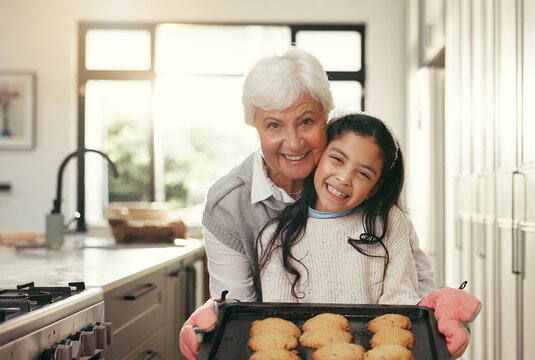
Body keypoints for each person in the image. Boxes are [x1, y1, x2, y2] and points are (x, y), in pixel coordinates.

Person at [179, 47, 477, 359]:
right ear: (254, 126)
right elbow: (244, 315)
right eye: (273, 125)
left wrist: (441, 313)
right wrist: (215, 314)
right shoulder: (231, 206)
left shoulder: (376, 206)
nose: (294, 143)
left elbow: (410, 294)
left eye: (306, 121)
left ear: (327, 118)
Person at [257, 113, 420, 305]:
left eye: (363, 173)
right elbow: (280, 322)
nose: (344, 178)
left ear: (373, 188)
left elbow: (402, 301)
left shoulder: (389, 221)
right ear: (318, 157)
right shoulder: (277, 236)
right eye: (337, 159)